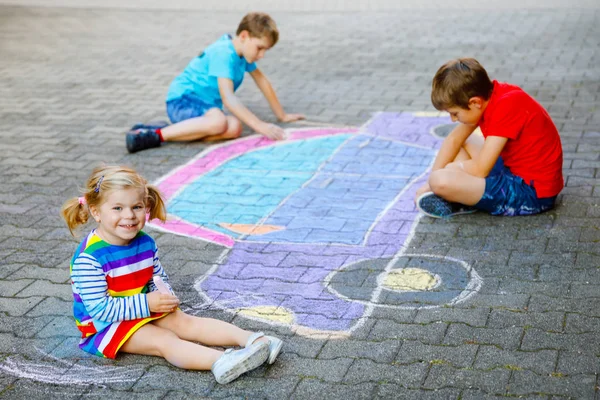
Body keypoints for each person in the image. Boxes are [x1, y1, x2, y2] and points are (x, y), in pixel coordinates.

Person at [60, 165, 283, 384]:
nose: (129, 216)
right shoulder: (90, 258)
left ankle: (254, 341)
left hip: (140, 307)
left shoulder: (145, 242)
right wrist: (148, 302)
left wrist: (163, 294)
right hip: (104, 326)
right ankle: (222, 361)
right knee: (163, 340)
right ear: (96, 211)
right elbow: (100, 309)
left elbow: (156, 275)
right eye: (117, 208)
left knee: (184, 322)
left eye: (136, 207)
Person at [126, 12, 304, 153]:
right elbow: (228, 99)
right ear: (244, 36)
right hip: (182, 100)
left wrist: (282, 115)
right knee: (219, 122)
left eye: (266, 50)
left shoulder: (242, 55)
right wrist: (260, 126)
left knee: (234, 128)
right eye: (260, 48)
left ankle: (176, 130)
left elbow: (262, 81)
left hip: (204, 107)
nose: (262, 55)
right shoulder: (224, 53)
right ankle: (152, 135)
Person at [415, 58, 563, 218]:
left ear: (474, 102)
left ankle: (461, 198)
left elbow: (480, 169)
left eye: (455, 113)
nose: (452, 119)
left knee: (440, 180)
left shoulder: (506, 106)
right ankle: (464, 195)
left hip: (533, 194)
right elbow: (453, 140)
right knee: (460, 148)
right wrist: (428, 183)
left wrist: (449, 173)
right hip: (512, 172)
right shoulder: (489, 98)